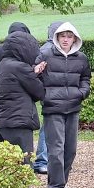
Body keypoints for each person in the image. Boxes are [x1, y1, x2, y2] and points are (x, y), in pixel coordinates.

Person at [38, 22, 91, 188]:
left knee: (70, 149)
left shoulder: (81, 58)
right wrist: (44, 95)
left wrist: (81, 93)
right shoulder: (45, 54)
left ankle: (62, 183)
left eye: (69, 36)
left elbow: (85, 78)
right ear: (57, 38)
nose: (66, 39)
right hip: (53, 108)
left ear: (74, 38)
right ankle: (55, 187)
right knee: (56, 148)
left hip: (73, 107)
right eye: (62, 36)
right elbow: (33, 76)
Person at [0, 30, 46, 164]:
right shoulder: (21, 67)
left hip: (3, 121)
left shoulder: (2, 65)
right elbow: (39, 92)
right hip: (19, 121)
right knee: (24, 163)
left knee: (7, 163)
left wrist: (32, 73)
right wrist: (38, 74)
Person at [31, 21, 63, 175]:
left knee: (52, 126)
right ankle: (42, 160)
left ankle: (48, 159)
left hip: (53, 93)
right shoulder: (49, 50)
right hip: (51, 93)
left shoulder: (48, 48)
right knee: (49, 126)